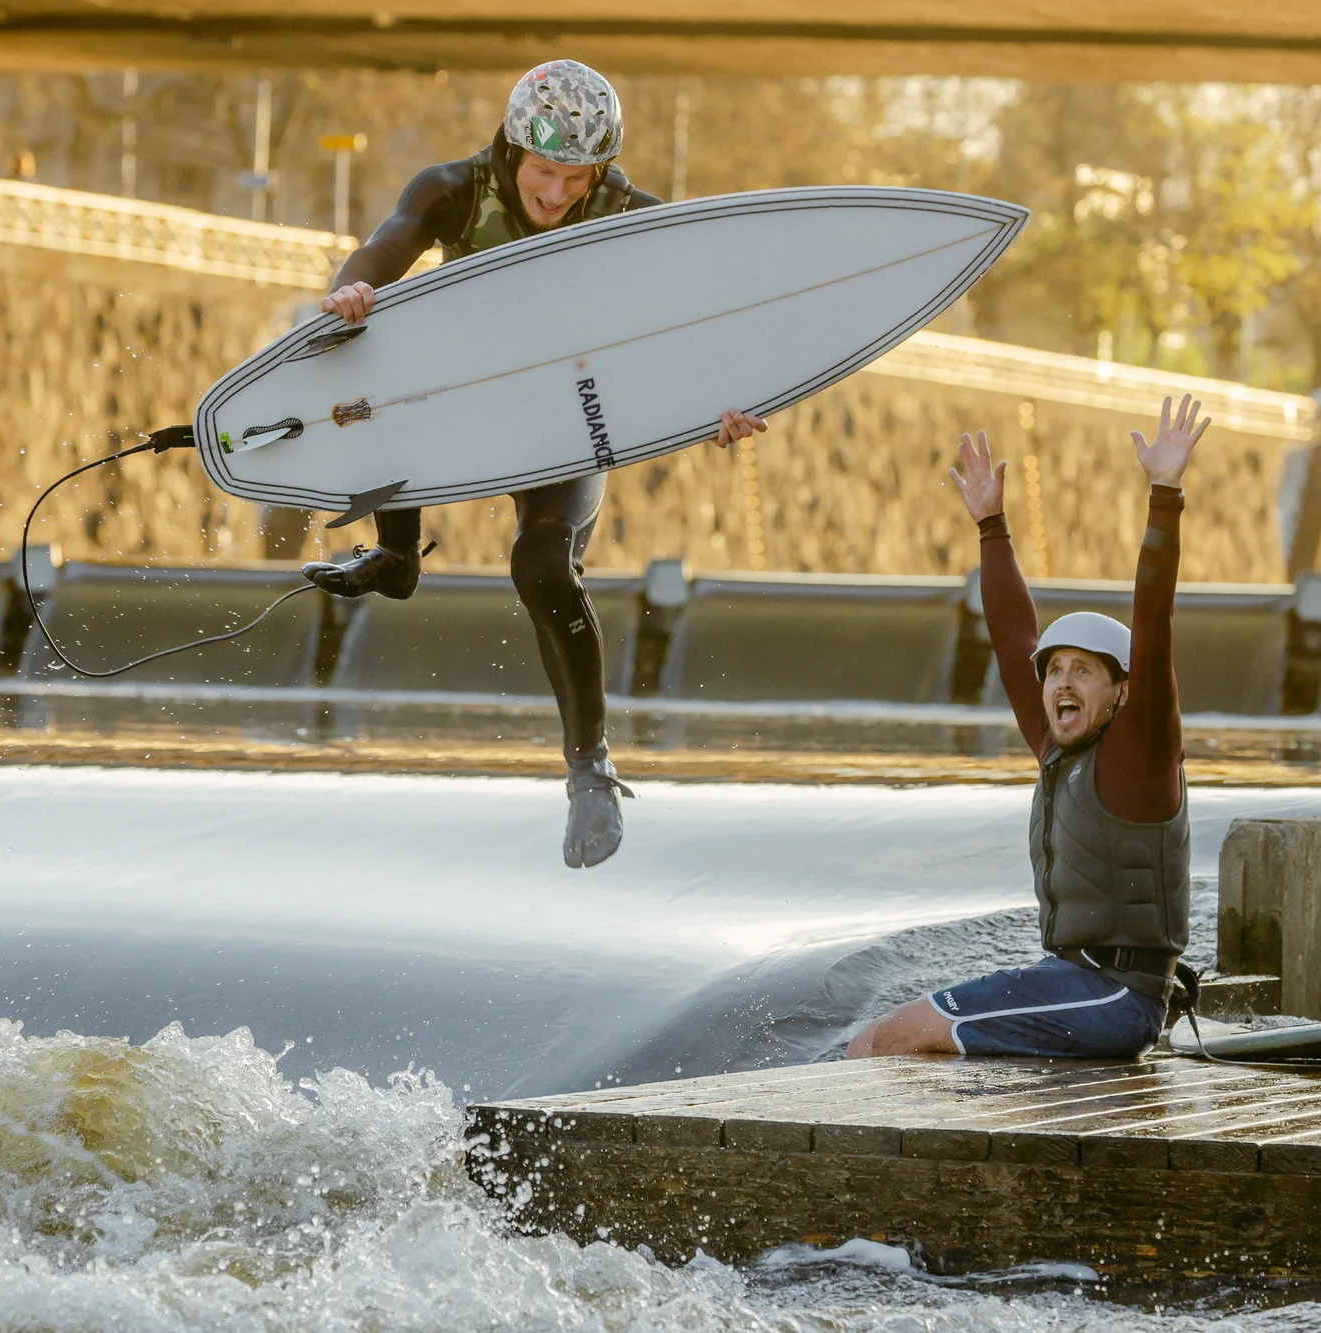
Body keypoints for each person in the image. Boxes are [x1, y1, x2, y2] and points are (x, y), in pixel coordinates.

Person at [301, 60, 767, 869]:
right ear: (515, 148)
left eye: (575, 178)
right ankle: (400, 553)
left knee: (543, 565)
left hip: (566, 411)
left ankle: (590, 767)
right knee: (376, 373)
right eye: (544, 174)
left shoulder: (627, 215)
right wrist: (351, 294)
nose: (556, 196)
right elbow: (386, 248)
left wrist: (725, 403)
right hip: (470, 393)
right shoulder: (453, 188)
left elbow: (703, 320)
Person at [846, 394, 1211, 1059]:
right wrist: (991, 524)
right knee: (869, 1039)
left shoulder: (1141, 756)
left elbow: (1153, 620)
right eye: (1055, 671)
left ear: (1122, 691)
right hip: (1073, 983)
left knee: (897, 1037)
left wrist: (1165, 491)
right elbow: (1015, 635)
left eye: (1084, 671)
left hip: (1117, 998)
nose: (1062, 683)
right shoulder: (1056, 746)